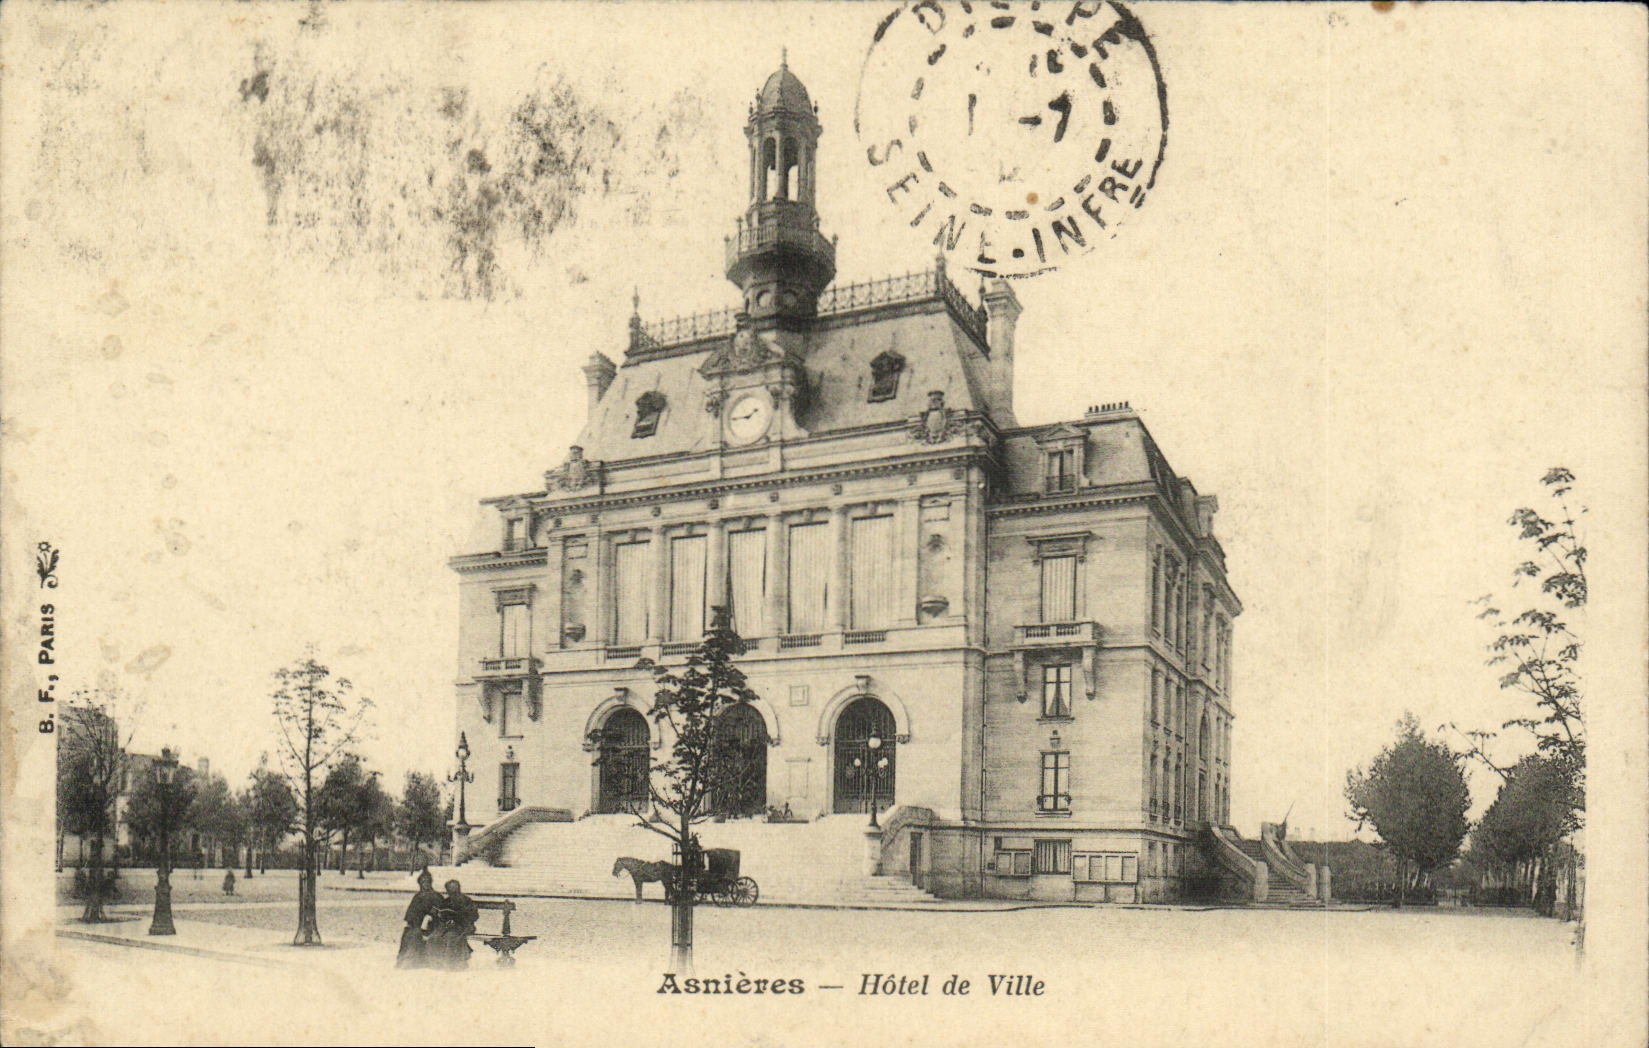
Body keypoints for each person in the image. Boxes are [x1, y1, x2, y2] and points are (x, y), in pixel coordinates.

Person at [395, 869, 443, 969]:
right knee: (409, 933)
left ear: (431, 883)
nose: (425, 885)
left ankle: (418, 960)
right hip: (417, 924)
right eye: (423, 883)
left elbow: (440, 911)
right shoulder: (417, 897)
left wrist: (430, 916)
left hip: (433, 925)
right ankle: (407, 960)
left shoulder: (437, 896)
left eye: (427, 882)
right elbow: (411, 913)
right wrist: (412, 921)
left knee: (418, 934)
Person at [429, 878, 479, 969]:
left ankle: (453, 962)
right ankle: (437, 962)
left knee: (451, 937)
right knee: (434, 937)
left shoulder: (466, 900)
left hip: (463, 926)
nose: (452, 892)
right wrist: (437, 914)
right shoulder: (446, 901)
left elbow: (474, 916)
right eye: (450, 890)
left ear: (458, 888)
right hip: (448, 926)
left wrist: (458, 919)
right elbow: (443, 915)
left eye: (454, 889)